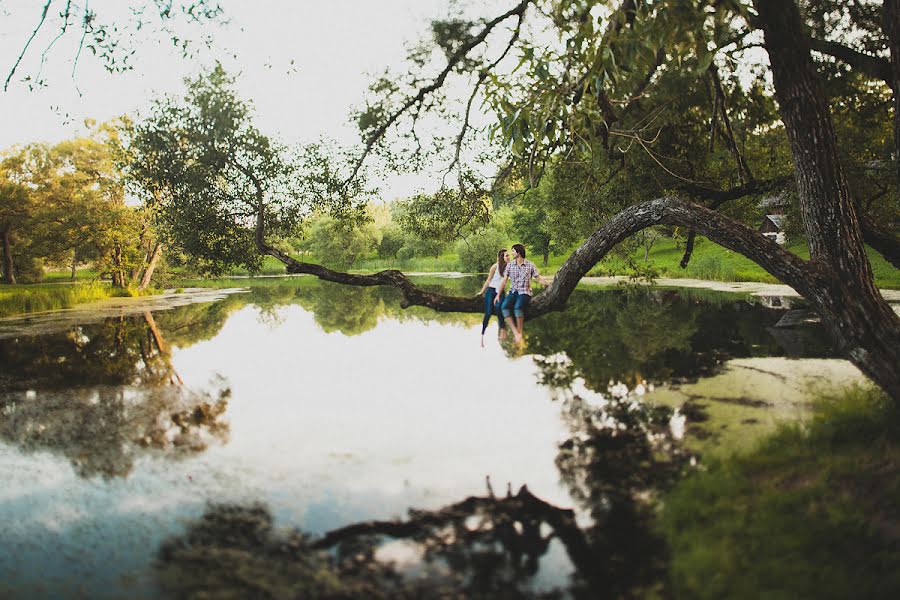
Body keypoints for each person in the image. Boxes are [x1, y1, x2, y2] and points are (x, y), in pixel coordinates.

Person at [495, 243, 549, 343]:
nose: (511, 253)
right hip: (513, 291)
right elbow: (504, 281)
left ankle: (520, 332)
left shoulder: (530, 265)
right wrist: (498, 294)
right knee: (504, 306)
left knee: (517, 307)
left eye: (513, 251)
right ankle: (515, 332)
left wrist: (549, 283)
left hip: (525, 292)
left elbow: (538, 279)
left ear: (518, 252)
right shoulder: (510, 265)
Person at [477, 248, 509, 346]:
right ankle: (482, 334)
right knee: (488, 312)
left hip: (500, 292)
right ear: (501, 257)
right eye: (506, 255)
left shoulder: (509, 268)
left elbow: (508, 282)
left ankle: (503, 329)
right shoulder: (494, 267)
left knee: (499, 307)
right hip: (491, 290)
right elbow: (488, 280)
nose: (508, 257)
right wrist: (482, 292)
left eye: (509, 255)